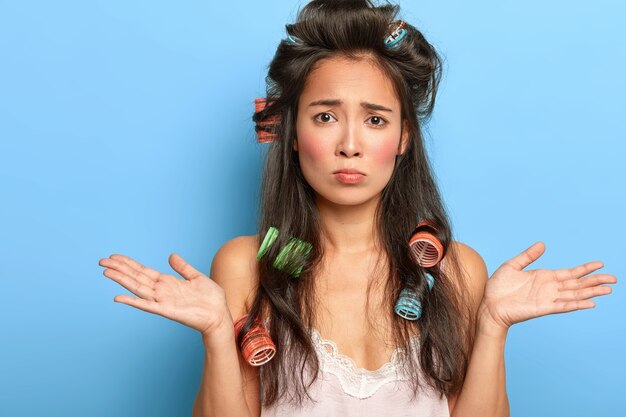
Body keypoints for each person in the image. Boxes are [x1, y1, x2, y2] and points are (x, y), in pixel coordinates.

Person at [97, 1, 617, 416]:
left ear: (404, 138)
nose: (350, 144)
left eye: (374, 120)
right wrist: (216, 334)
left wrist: (494, 324)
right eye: (325, 116)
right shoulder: (248, 265)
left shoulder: (456, 269)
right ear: (293, 135)